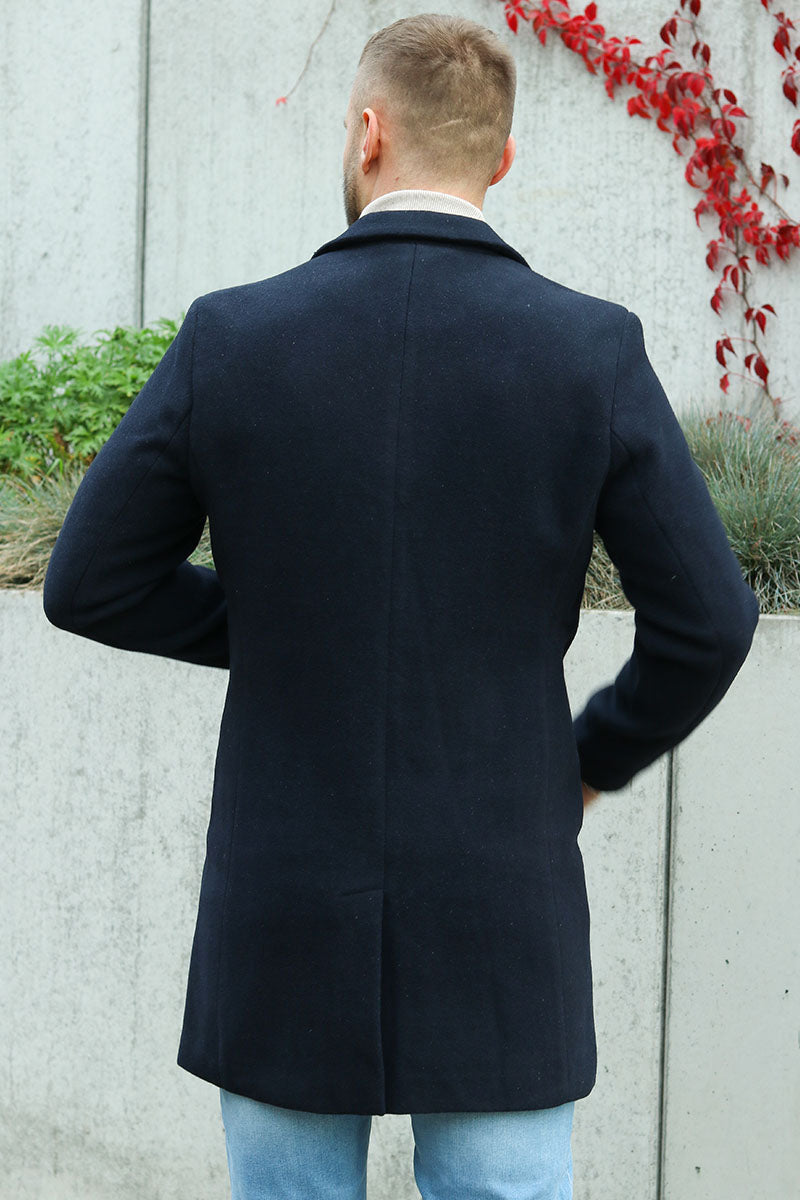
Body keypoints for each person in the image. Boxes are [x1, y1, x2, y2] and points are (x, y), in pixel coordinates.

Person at [41, 12, 759, 1199]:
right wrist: (589, 759)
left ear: (367, 134)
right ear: (502, 159)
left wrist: (286, 629)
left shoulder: (233, 336)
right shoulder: (588, 349)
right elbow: (710, 622)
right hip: (499, 903)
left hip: (282, 903)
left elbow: (91, 582)